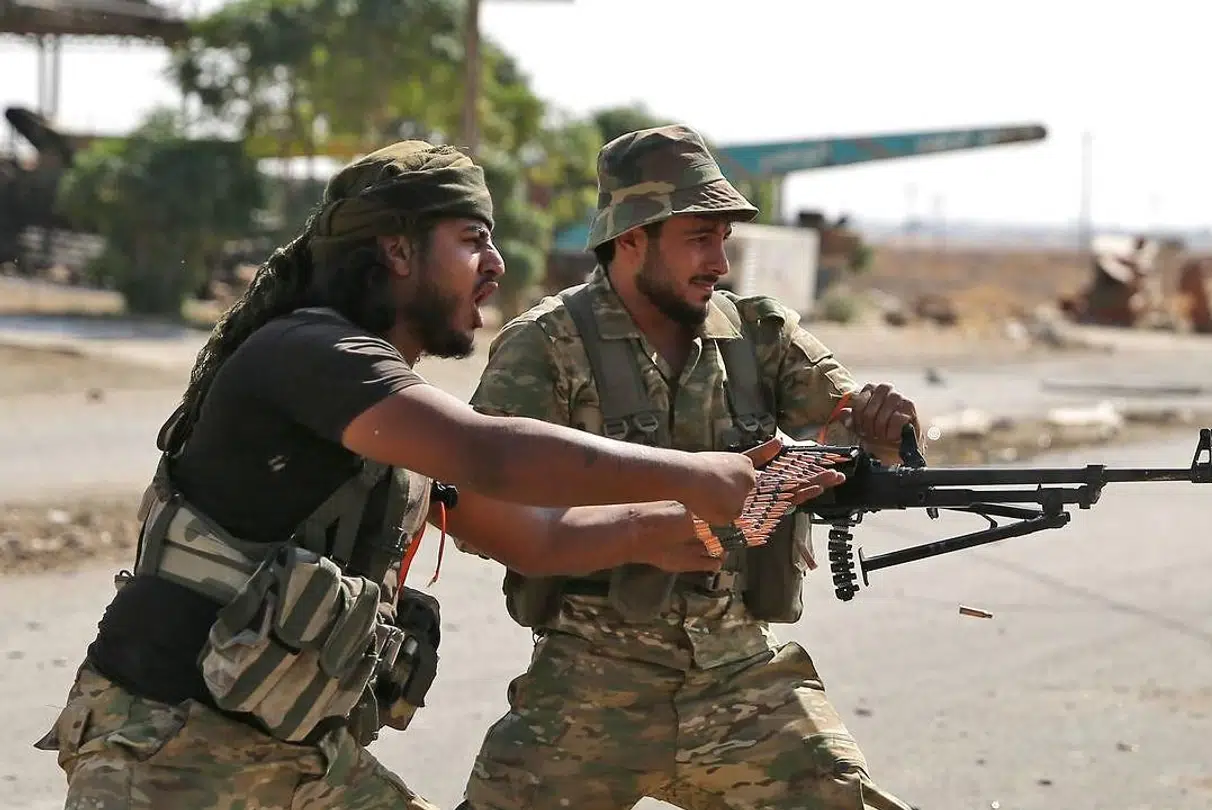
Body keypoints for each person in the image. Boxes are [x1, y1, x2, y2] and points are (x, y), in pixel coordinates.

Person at [32, 139, 819, 810]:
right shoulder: (312, 352)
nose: (497, 264)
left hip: (296, 761)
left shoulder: (382, 409)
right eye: (473, 239)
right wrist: (695, 473)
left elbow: (528, 538)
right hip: (167, 754)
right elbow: (491, 456)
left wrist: (657, 529)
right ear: (397, 251)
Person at [458, 125, 921, 810]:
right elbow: (475, 505)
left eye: (723, 239)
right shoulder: (544, 346)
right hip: (590, 685)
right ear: (632, 237)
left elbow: (856, 430)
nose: (720, 262)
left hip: (742, 682)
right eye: (700, 237)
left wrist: (890, 433)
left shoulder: (760, 336)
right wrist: (630, 524)